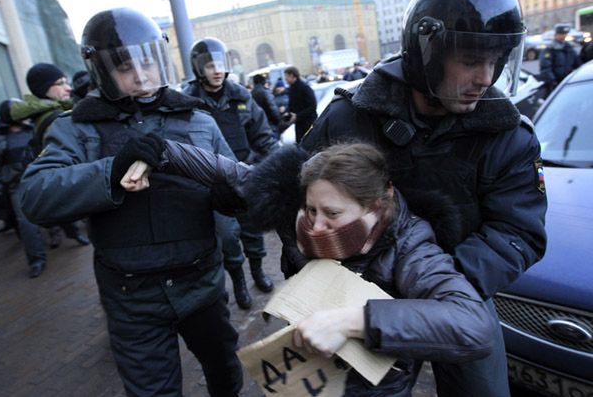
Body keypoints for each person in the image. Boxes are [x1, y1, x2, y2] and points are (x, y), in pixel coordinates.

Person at [298, 0, 548, 397]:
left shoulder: (510, 135)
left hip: (459, 291)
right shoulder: (349, 117)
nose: (486, 78)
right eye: (471, 61)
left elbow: (518, 233)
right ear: (427, 52)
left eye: (496, 60)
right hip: (356, 287)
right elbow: (300, 201)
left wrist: (438, 281)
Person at [120, 140, 497, 397]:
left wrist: (356, 321)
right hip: (307, 379)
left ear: (378, 207)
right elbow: (225, 172)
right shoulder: (295, 211)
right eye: (311, 209)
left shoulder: (411, 246)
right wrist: (158, 152)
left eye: (333, 214)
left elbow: (473, 325)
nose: (315, 226)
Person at [18, 8, 243, 397]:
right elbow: (36, 196)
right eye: (124, 66)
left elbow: (238, 183)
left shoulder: (198, 120)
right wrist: (110, 170)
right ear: (102, 70)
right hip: (131, 299)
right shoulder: (76, 128)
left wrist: (233, 200)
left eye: (147, 61)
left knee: (224, 373)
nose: (140, 75)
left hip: (201, 287)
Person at [183, 37, 278, 309]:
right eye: (210, 65)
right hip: (213, 182)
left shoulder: (241, 95)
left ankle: (258, 271)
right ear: (199, 68)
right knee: (227, 237)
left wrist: (278, 163)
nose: (217, 71)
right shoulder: (187, 101)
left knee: (253, 231)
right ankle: (238, 280)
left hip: (245, 176)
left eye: (221, 65)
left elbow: (262, 135)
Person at [11, 63, 90, 248]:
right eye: (60, 83)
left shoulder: (49, 113)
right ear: (44, 89)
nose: (68, 87)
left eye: (66, 82)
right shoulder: (55, 119)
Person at [0, 99, 49, 278]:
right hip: (17, 187)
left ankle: (66, 235)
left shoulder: (32, 130)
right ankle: (36, 260)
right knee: (26, 224)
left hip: (41, 179)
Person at [539, 23, 581, 92]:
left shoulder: (569, 48)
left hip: (570, 82)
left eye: (565, 34)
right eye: (561, 34)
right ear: (556, 34)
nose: (563, 36)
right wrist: (553, 82)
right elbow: (545, 69)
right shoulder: (550, 49)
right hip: (557, 85)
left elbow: (577, 64)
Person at [283, 66, 317, 143]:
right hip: (299, 124)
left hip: (309, 123)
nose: (285, 79)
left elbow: (312, 106)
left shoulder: (304, 87)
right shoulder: (292, 88)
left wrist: (298, 116)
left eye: (286, 76)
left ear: (292, 75)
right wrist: (287, 113)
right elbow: (292, 105)